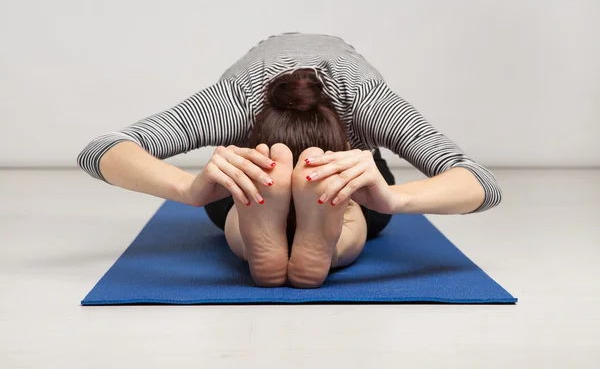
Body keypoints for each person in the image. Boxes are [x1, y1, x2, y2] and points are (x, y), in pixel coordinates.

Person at [77, 32, 502, 289]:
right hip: (320, 180)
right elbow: (483, 183)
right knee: (341, 200)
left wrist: (389, 196)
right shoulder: (241, 100)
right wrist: (392, 203)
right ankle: (328, 241)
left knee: (244, 193)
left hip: (279, 178)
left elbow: (100, 149)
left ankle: (260, 223)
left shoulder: (363, 102)